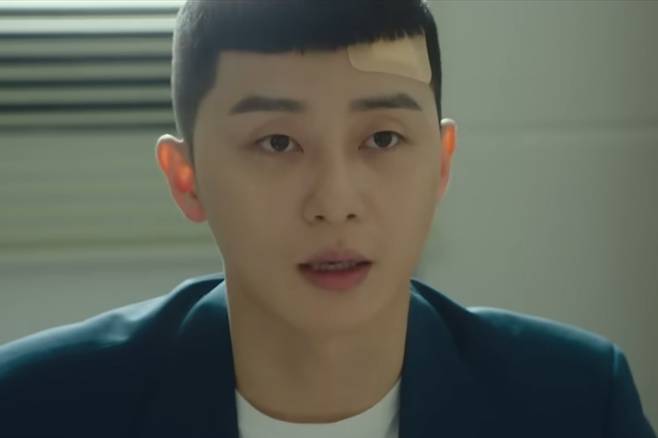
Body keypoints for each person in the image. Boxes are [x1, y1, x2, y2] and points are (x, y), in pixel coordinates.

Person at [0, 1, 655, 437]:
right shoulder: (36, 408)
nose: (335, 201)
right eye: (277, 143)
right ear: (186, 177)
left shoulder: (574, 403)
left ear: (441, 163)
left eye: (383, 139)